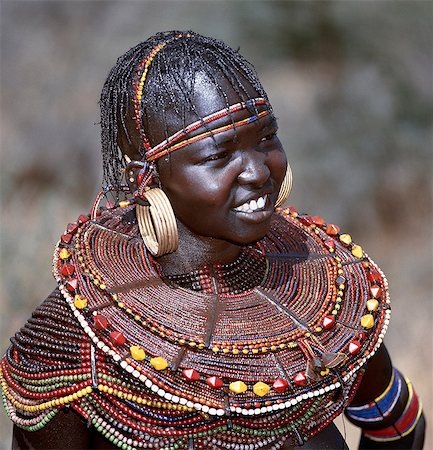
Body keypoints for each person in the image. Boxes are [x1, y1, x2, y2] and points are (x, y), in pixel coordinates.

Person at [1, 31, 425, 450]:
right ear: (144, 178)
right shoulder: (79, 341)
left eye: (266, 139)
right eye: (219, 156)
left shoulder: (324, 300)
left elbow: (399, 424)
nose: (258, 171)